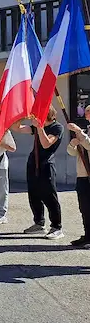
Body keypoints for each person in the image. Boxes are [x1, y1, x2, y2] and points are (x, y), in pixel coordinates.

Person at [12, 106, 64, 239]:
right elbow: (16, 128)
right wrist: (22, 116)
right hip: (32, 163)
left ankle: (56, 227)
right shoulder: (36, 126)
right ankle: (39, 223)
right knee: (34, 195)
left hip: (46, 165)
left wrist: (40, 127)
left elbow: (47, 144)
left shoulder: (57, 128)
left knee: (49, 196)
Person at [67, 106, 90, 247]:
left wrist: (78, 132)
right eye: (86, 111)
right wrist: (72, 144)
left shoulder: (84, 133)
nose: (86, 114)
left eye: (89, 112)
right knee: (85, 208)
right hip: (82, 175)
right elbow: (72, 153)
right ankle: (88, 235)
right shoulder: (86, 131)